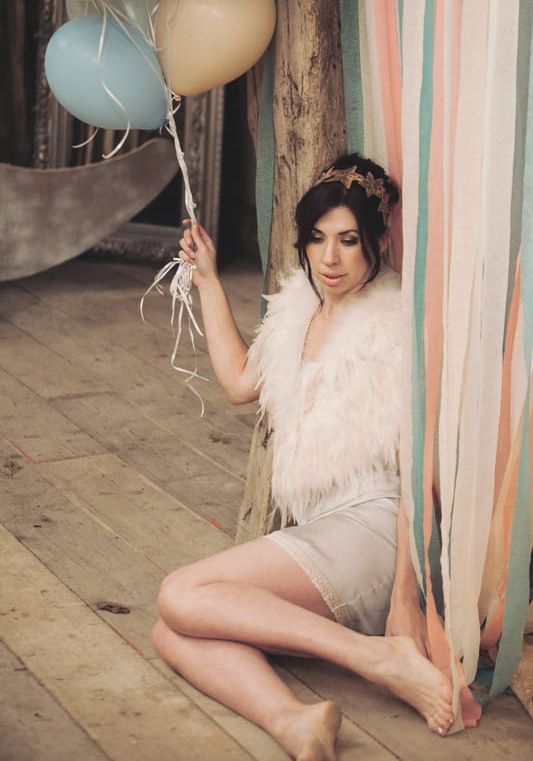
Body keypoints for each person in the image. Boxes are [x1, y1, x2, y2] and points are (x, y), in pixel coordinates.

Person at [152, 154, 455, 760]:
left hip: (377, 530)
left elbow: (420, 474)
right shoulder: (302, 310)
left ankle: (378, 657)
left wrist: (407, 602)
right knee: (173, 629)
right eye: (317, 239)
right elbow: (241, 381)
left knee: (179, 596)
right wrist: (210, 280)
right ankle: (294, 721)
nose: (330, 258)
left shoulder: (393, 329)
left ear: (378, 241)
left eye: (348, 240)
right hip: (328, 529)